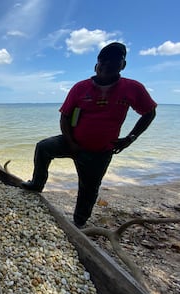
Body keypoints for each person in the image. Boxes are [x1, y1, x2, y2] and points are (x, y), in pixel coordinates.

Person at [22, 42, 157, 228]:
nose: (107, 66)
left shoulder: (133, 88)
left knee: (89, 190)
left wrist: (130, 138)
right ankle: (37, 184)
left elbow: (149, 112)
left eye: (114, 62)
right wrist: (71, 143)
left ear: (123, 65)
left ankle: (78, 223)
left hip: (101, 151)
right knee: (43, 147)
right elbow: (65, 118)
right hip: (72, 143)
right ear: (96, 65)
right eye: (103, 62)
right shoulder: (80, 88)